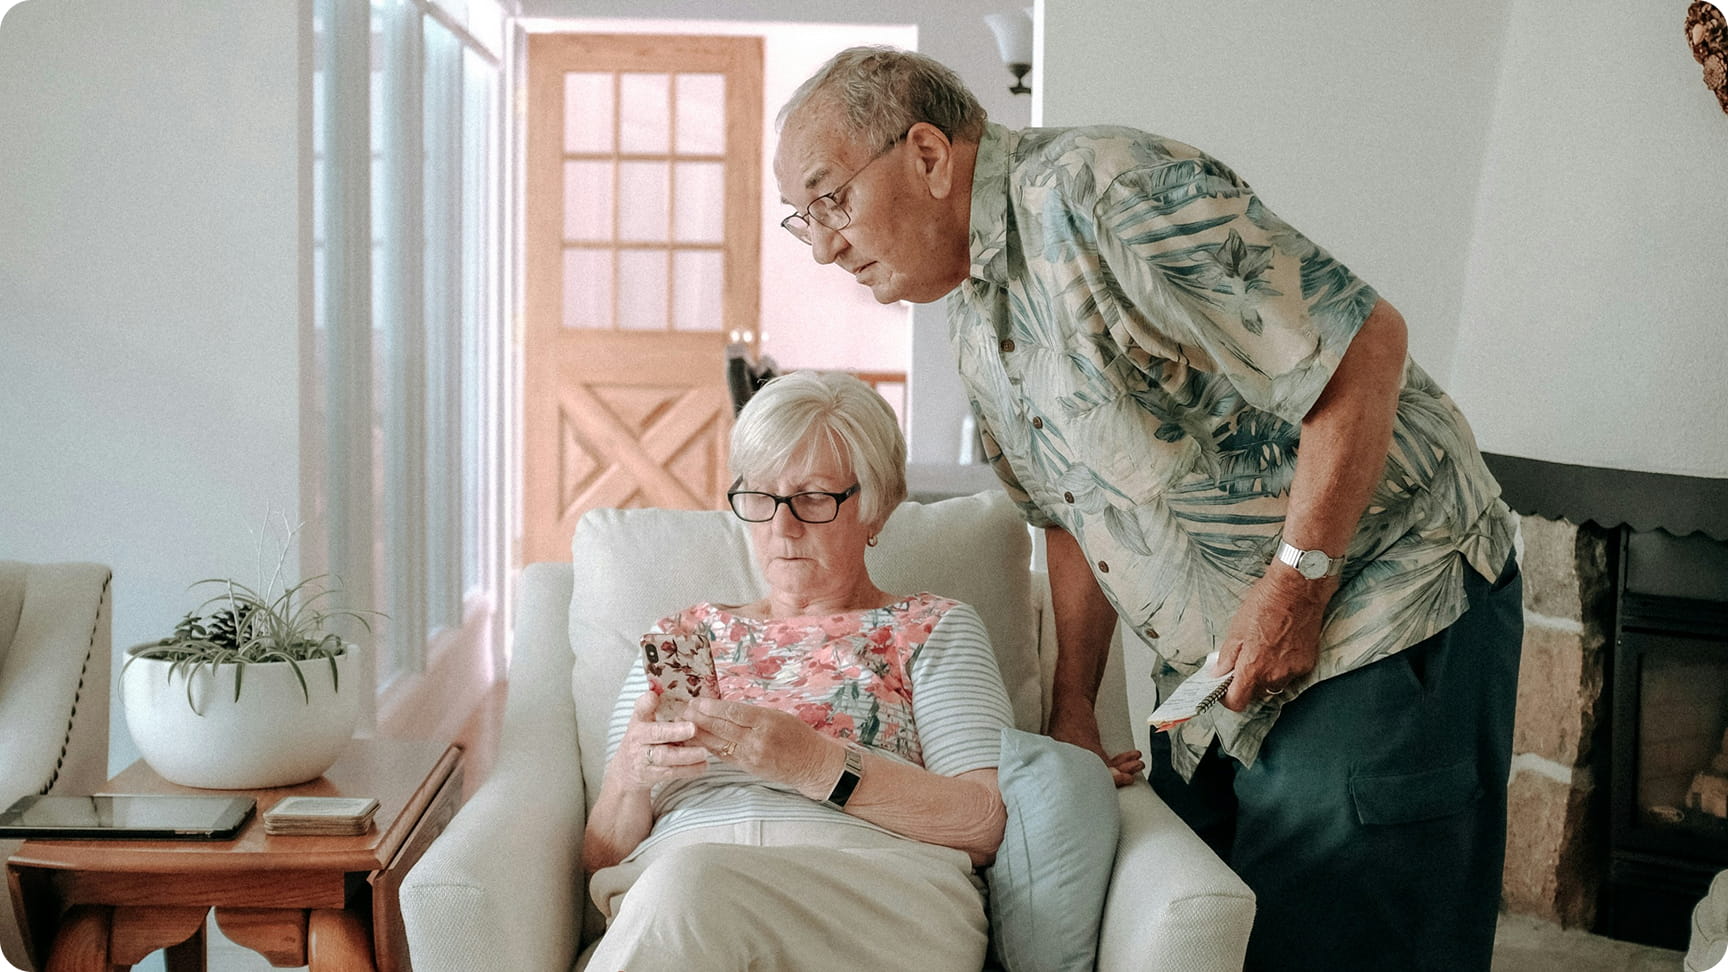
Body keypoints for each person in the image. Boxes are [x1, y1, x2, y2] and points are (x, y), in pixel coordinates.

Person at [772, 46, 1523, 971]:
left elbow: (1364, 346)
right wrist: (1075, 706)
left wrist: (1297, 584)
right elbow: (1067, 516)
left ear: (927, 155)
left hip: (1381, 610)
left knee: (1361, 937)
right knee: (1232, 932)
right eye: (801, 221)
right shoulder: (973, 312)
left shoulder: (1107, 192)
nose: (823, 245)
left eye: (831, 200)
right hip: (1217, 673)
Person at [581, 369, 1016, 971]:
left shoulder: (931, 627)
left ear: (877, 508)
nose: (781, 527)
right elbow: (600, 856)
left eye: (813, 498)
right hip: (680, 889)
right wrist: (628, 776)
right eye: (759, 497)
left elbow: (984, 822)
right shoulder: (682, 638)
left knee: (688, 887)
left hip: (874, 895)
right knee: (683, 886)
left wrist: (812, 763)